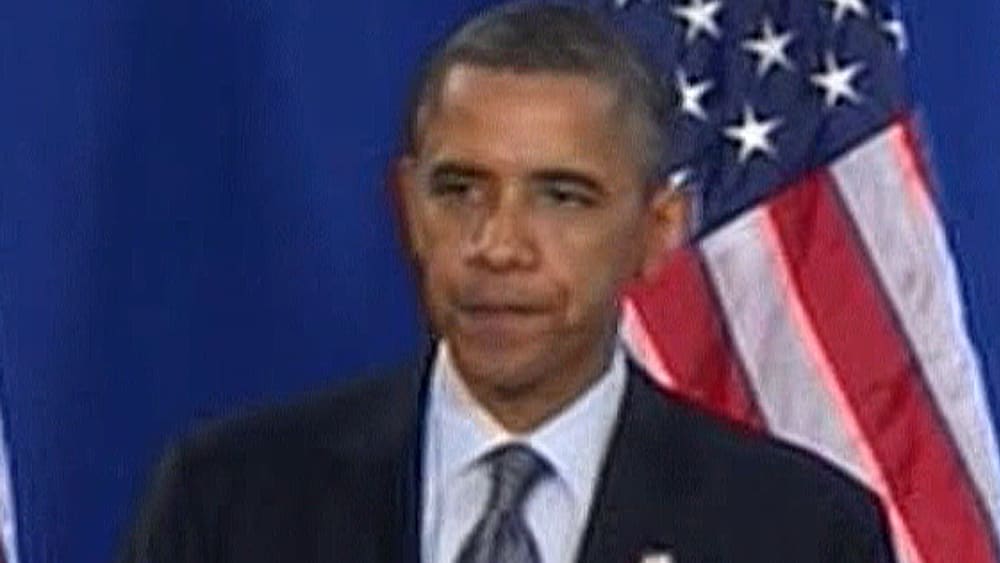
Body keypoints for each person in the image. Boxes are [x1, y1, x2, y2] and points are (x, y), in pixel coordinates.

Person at [119, 3, 897, 562]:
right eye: (459, 189)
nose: (497, 245)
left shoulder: (799, 532)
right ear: (407, 206)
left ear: (657, 229)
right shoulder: (227, 502)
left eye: (562, 196)